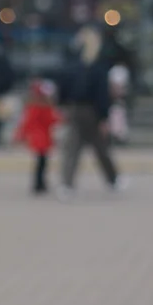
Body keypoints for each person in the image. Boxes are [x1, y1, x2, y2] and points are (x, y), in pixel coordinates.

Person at [58, 24, 125, 198]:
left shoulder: (71, 63)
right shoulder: (97, 66)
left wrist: (63, 105)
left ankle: (67, 184)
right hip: (91, 110)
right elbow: (101, 93)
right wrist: (104, 116)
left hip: (74, 108)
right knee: (100, 147)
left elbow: (62, 87)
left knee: (73, 148)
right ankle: (113, 180)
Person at [14, 79, 62, 194]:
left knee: (41, 163)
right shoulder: (42, 107)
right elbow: (51, 120)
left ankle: (39, 184)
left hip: (39, 137)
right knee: (42, 163)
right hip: (41, 138)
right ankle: (39, 184)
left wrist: (21, 134)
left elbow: (26, 122)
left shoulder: (33, 107)